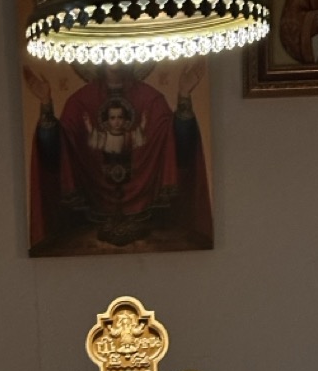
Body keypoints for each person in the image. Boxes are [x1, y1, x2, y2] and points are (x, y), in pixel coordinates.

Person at [23, 61, 212, 251]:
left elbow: (179, 146)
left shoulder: (151, 99)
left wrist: (184, 96)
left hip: (150, 218)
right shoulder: (79, 102)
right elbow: (55, 153)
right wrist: (45, 104)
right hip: (86, 221)